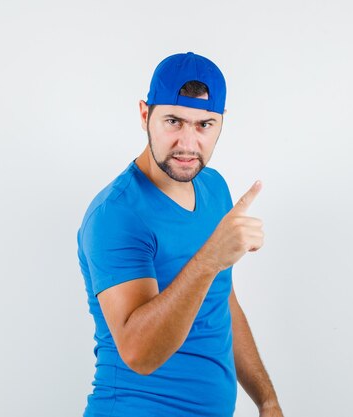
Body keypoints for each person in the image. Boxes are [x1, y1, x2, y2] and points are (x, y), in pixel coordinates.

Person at [77, 52, 283, 417]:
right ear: (145, 116)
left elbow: (222, 303)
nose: (188, 144)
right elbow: (139, 354)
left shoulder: (214, 188)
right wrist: (208, 260)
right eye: (174, 121)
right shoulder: (116, 215)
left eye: (204, 125)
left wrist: (267, 400)